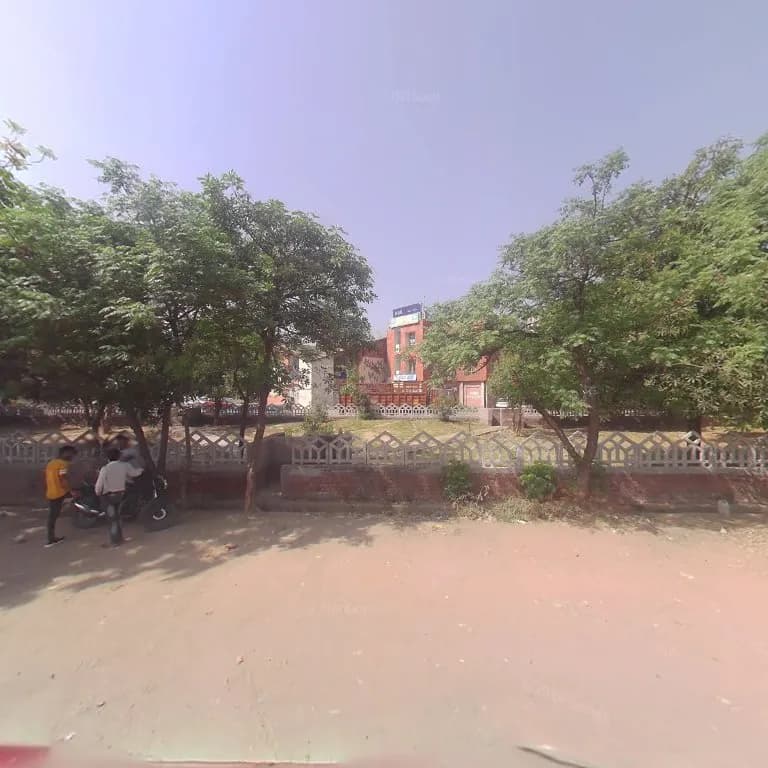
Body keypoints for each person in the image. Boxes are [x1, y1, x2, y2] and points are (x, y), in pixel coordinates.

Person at [95, 447, 144, 547]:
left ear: (108, 458)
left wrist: (98, 492)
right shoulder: (125, 466)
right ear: (119, 456)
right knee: (118, 517)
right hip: (120, 495)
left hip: (108, 496)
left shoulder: (105, 468)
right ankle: (120, 539)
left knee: (112, 519)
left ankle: (114, 542)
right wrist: (142, 468)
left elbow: (99, 485)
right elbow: (135, 473)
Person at [44, 445, 77, 547]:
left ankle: (51, 537)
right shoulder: (63, 464)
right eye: (71, 454)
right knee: (53, 516)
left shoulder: (51, 463)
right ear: (65, 453)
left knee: (52, 515)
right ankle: (51, 539)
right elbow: (63, 478)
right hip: (58, 493)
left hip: (51, 492)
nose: (72, 456)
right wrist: (70, 491)